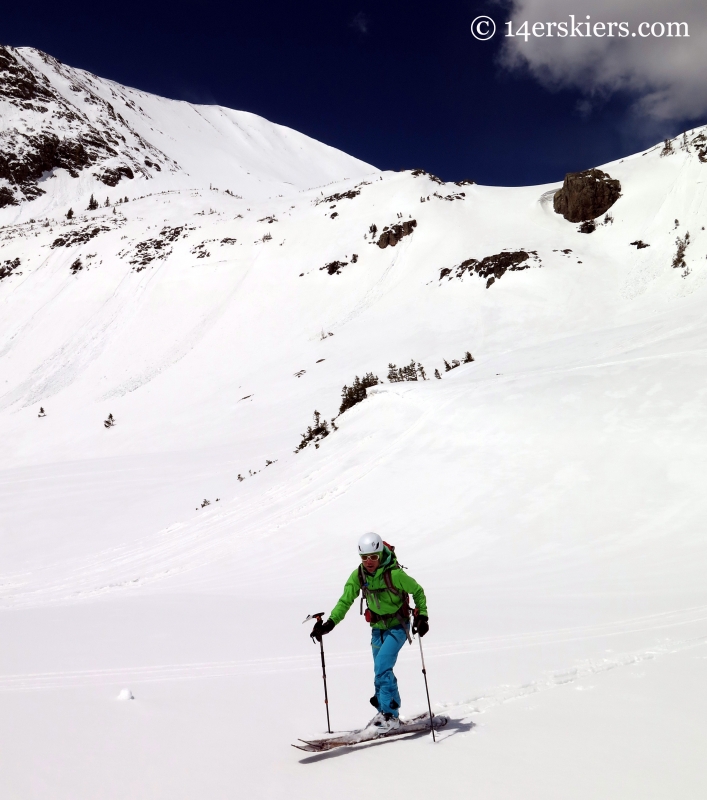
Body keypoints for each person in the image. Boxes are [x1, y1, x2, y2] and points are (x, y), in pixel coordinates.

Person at [312, 532, 429, 733]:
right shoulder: (359, 575)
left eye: (373, 557)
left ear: (381, 553)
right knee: (379, 670)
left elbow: (417, 590)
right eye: (364, 557)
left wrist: (423, 616)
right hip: (377, 628)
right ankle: (383, 711)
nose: (369, 562)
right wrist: (330, 623)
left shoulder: (395, 575)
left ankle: (391, 715)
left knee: (383, 667)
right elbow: (345, 600)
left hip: (398, 627)